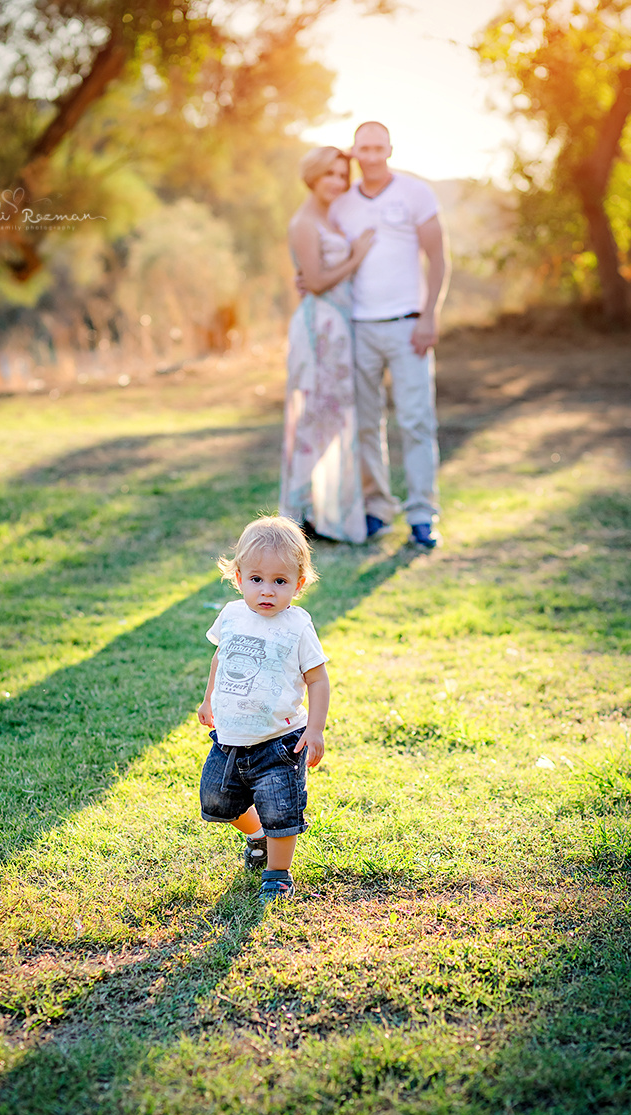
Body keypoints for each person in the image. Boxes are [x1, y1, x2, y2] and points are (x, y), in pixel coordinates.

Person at [197, 515, 330, 906]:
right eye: (256, 579)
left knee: (281, 809)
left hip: (280, 740)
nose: (267, 590)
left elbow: (318, 680)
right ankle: (256, 836)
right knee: (217, 802)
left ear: (299, 584)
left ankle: (277, 872)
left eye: (280, 581)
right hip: (231, 737)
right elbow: (221, 657)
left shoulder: (297, 626)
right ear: (238, 577)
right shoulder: (232, 615)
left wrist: (316, 729)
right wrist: (208, 699)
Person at [330, 121, 450, 548]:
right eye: (365, 149)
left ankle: (422, 514)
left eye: (379, 148)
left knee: (417, 421)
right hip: (359, 327)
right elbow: (329, 255)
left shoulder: (416, 193)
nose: (373, 156)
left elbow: (438, 258)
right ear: (356, 153)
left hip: (408, 325)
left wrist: (430, 315)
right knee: (365, 423)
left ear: (391, 150)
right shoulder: (341, 204)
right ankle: (377, 508)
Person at [280, 146, 375, 543]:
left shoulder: (329, 217)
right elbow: (315, 282)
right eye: (330, 174)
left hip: (339, 327)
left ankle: (324, 512)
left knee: (334, 418)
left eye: (343, 174)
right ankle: (300, 514)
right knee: (314, 418)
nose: (338, 181)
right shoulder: (304, 222)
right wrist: (356, 256)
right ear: (313, 178)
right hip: (318, 328)